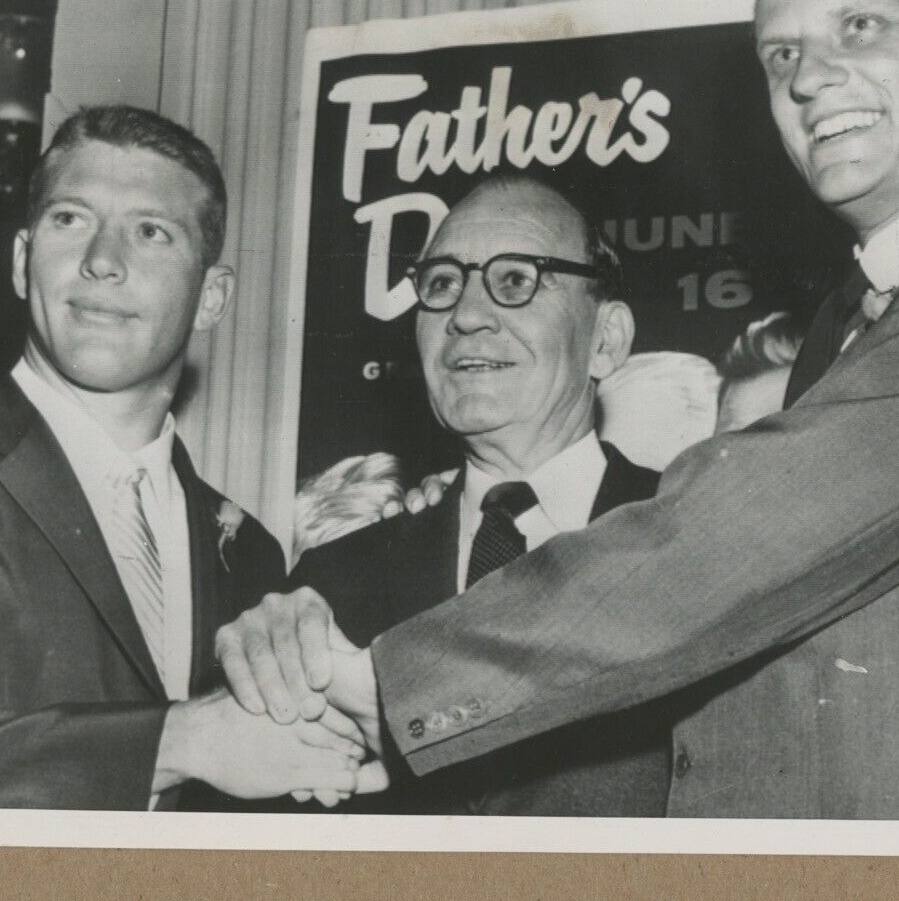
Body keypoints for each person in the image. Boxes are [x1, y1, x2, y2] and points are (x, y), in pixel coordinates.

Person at [217, 0, 899, 821]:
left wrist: (395, 684)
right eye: (781, 52)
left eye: (860, 26)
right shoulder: (842, 324)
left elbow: (760, 529)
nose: (810, 77)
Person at [0, 106, 378, 809]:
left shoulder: (248, 551)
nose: (102, 262)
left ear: (212, 297)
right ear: (24, 262)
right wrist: (181, 741)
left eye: (150, 231)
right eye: (70, 220)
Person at [285, 174, 672, 815]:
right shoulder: (330, 586)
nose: (464, 315)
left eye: (516, 279)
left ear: (605, 340)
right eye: (441, 283)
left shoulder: (693, 538)